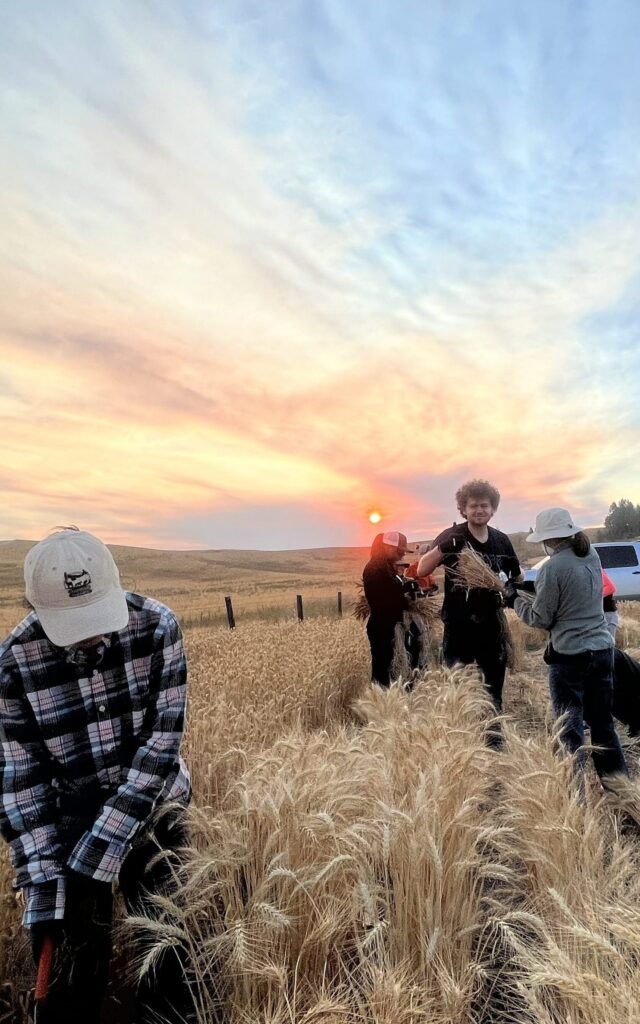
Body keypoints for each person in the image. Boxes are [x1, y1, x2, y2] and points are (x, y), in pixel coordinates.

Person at [0, 527, 193, 1024]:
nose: (91, 635)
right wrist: (46, 884)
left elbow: (160, 749)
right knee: (71, 966)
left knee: (170, 949)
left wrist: (96, 859)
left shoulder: (158, 627)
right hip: (71, 812)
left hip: (155, 801)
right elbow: (21, 784)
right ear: (34, 606)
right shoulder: (13, 665)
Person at [505, 508, 627, 784]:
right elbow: (572, 592)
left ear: (548, 540)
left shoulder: (551, 568)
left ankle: (574, 795)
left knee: (569, 729)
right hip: (602, 650)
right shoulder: (591, 555)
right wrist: (533, 589)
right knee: (603, 725)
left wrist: (514, 599)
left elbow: (540, 618)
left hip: (570, 656)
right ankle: (621, 789)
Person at [417, 479, 522, 711]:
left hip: (492, 625)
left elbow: (517, 576)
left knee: (493, 687)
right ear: (463, 509)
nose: (479, 510)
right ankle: (463, 726)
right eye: (473, 505)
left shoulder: (501, 541)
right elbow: (422, 569)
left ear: (493, 509)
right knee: (459, 687)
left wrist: (513, 585)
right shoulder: (452, 535)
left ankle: (493, 728)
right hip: (458, 625)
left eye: (484, 505)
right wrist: (443, 548)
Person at [362, 531, 418, 686]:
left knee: (394, 671)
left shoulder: (385, 568)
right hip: (382, 628)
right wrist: (404, 590)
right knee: (383, 673)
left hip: (391, 626)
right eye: (400, 551)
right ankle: (380, 699)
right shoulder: (375, 569)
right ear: (388, 547)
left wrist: (405, 586)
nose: (402, 555)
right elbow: (386, 601)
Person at [602, 569, 619, 641]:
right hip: (600, 614)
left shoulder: (596, 569)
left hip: (607, 613)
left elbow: (611, 588)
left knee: (608, 643)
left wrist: (594, 596)